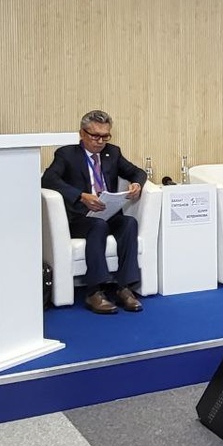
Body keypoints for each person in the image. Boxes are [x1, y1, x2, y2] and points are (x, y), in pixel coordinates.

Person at [42, 110, 146, 315]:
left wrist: (136, 183)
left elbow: (137, 172)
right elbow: (48, 180)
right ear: (82, 133)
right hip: (79, 217)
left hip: (108, 213)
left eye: (105, 136)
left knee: (129, 223)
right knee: (98, 225)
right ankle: (94, 291)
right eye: (95, 136)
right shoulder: (67, 154)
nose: (100, 141)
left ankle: (124, 288)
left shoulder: (112, 153)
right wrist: (81, 196)